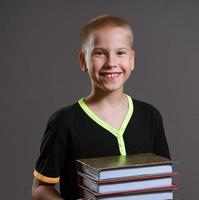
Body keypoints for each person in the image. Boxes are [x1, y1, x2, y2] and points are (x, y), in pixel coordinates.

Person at [31, 15, 170, 200]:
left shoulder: (150, 116)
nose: (111, 62)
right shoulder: (65, 122)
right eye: (99, 53)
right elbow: (40, 189)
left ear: (132, 60)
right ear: (83, 61)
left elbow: (161, 183)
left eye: (120, 53)